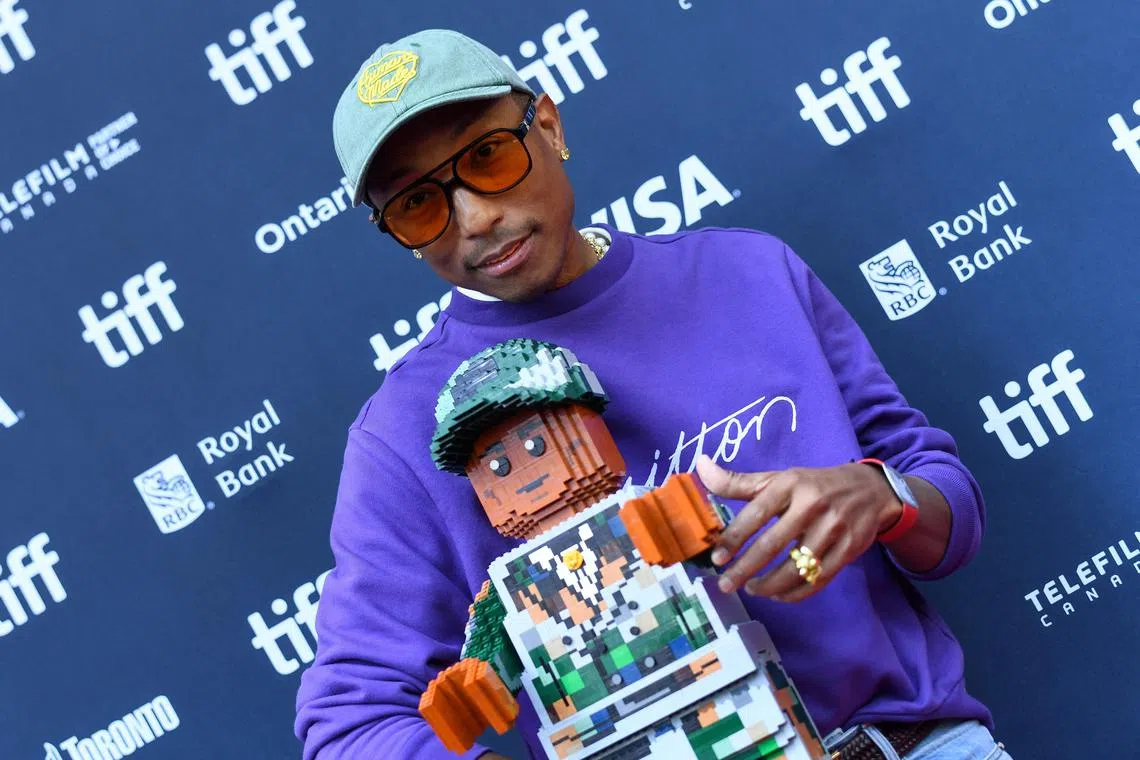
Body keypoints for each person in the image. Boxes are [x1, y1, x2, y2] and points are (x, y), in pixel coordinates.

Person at [295, 28, 1012, 760]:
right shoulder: (403, 432)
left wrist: (883, 495)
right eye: (418, 204)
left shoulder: (749, 272)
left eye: (488, 156)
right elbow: (350, 722)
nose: (475, 219)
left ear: (549, 127)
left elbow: (948, 515)